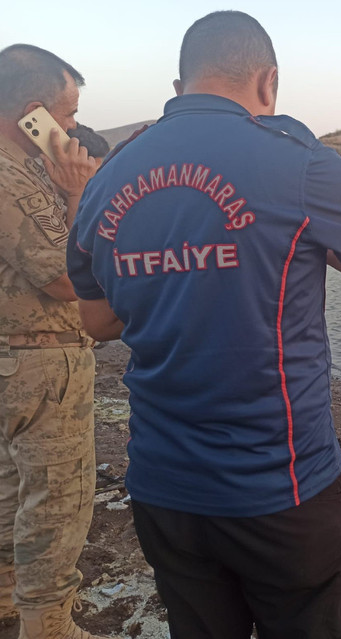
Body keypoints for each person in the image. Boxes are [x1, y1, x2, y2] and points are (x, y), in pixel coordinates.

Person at [66, 10, 341, 639]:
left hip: (163, 487)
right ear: (268, 81)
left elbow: (98, 321)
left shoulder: (108, 179)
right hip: (281, 490)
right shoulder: (295, 161)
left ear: (179, 85)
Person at [0, 45, 105, 638]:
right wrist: (75, 193)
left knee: (12, 495)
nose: (69, 128)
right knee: (57, 505)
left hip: (19, 363)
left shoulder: (22, 165)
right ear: (32, 111)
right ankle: (49, 629)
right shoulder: (8, 174)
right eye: (65, 115)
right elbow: (68, 278)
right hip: (39, 362)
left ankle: (9, 608)